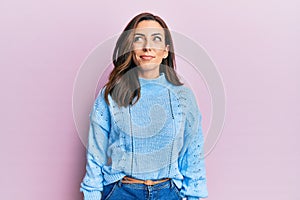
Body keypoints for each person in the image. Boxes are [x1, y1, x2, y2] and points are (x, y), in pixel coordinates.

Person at [80, 12, 208, 200]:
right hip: (121, 192)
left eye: (156, 39)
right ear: (130, 48)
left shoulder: (183, 97)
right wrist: (91, 195)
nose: (147, 47)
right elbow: (95, 153)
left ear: (165, 51)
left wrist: (194, 196)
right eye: (139, 39)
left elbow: (193, 153)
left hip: (168, 193)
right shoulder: (111, 94)